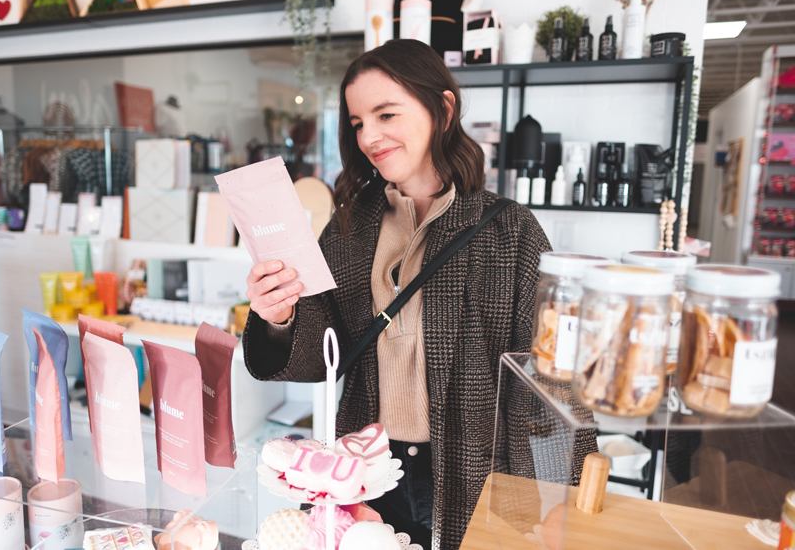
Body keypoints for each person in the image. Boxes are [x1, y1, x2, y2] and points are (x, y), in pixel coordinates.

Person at [243, 39, 595, 550]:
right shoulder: (348, 228)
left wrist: (568, 499)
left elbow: (552, 381)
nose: (370, 136)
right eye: (359, 122)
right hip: (365, 469)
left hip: (474, 469)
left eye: (387, 114)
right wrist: (278, 315)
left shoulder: (510, 231)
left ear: (442, 109)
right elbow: (322, 353)